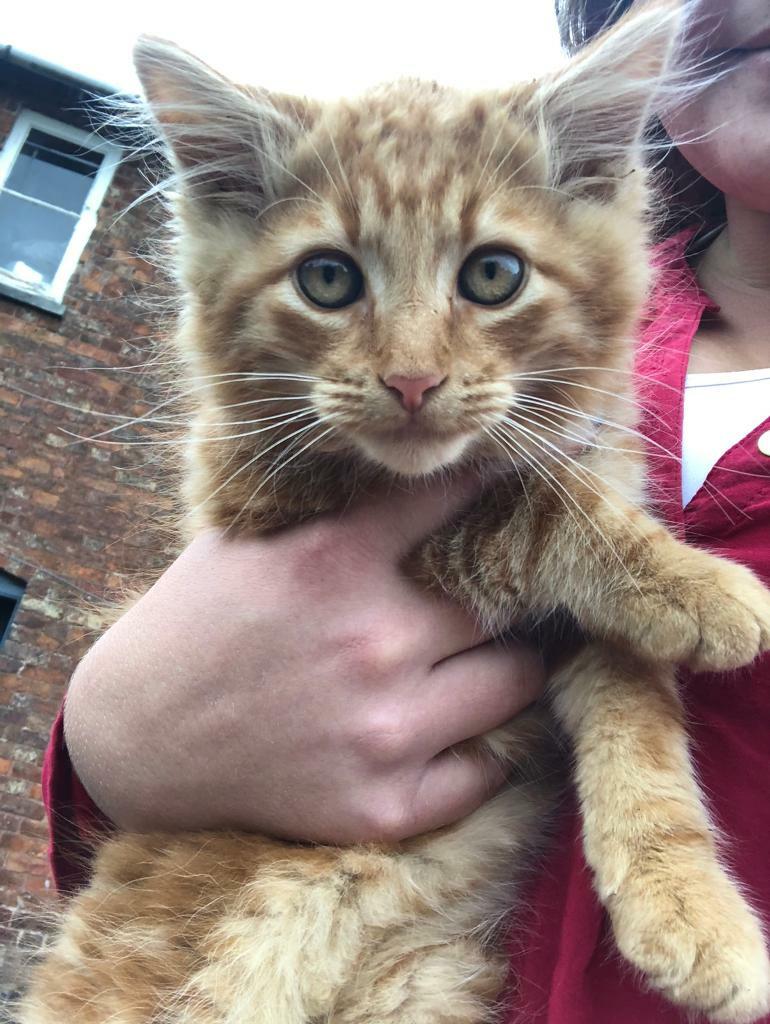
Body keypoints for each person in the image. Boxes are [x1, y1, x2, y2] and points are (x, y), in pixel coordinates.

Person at [44, 0, 770, 1019]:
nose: (412, 371)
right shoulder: (605, 374)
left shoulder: (577, 388)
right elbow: (268, 574)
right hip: (211, 944)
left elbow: (584, 644)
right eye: (331, 278)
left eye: (488, 274)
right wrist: (111, 738)